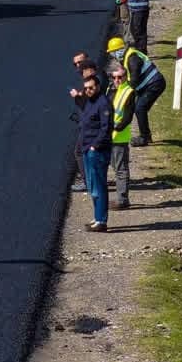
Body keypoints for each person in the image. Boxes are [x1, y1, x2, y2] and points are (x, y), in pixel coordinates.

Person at [70, 72, 113, 231]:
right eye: (86, 88)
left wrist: (95, 145)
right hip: (87, 148)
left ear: (98, 87)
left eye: (91, 88)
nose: (88, 90)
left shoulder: (103, 103)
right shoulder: (90, 101)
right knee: (92, 186)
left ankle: (101, 221)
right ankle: (96, 217)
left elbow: (106, 128)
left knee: (99, 186)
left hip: (97, 151)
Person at [108, 34, 166, 145]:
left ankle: (145, 137)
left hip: (154, 84)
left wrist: (125, 92)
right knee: (140, 109)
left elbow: (134, 80)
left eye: (113, 52)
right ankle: (145, 134)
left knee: (140, 108)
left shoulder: (132, 59)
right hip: (149, 85)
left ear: (119, 50)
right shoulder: (126, 57)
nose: (113, 55)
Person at [107, 59, 137, 209]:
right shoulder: (110, 90)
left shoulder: (129, 92)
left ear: (126, 77)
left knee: (121, 170)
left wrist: (115, 128)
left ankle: (122, 200)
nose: (117, 80)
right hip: (108, 137)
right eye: (114, 77)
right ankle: (121, 198)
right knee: (116, 167)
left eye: (120, 77)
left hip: (119, 138)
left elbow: (127, 116)